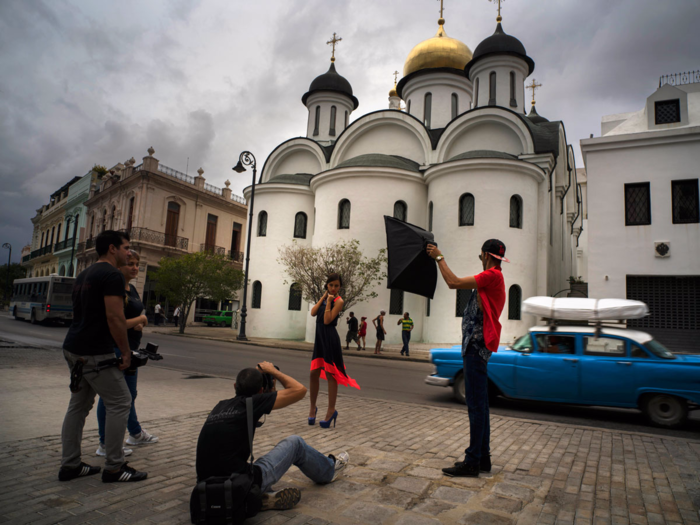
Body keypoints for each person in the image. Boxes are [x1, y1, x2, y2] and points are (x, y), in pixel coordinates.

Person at [195, 362, 349, 511]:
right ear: (261, 391)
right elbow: (300, 390)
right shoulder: (253, 403)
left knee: (248, 465)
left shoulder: (220, 406)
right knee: (295, 443)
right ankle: (329, 470)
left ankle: (259, 497)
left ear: (235, 387)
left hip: (205, 485)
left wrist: (255, 376)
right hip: (237, 483)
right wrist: (273, 371)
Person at [59, 230, 148, 483]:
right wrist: (125, 352)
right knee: (121, 401)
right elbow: (115, 318)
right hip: (96, 352)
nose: (129, 252)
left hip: (74, 348)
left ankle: (70, 465)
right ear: (112, 249)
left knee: (78, 406)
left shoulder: (84, 274)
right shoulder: (110, 275)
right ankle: (114, 466)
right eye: (126, 248)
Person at [427, 239, 508, 478]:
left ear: (485, 255)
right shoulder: (494, 277)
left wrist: (439, 257)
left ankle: (472, 461)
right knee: (480, 404)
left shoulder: (492, 275)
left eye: (481, 255)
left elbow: (453, 283)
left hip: (475, 347)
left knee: (475, 404)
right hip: (475, 347)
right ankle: (483, 458)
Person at [95, 251, 158, 458]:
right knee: (112, 398)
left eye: (137, 264)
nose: (134, 267)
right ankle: (105, 444)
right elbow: (114, 321)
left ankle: (135, 433)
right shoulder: (115, 288)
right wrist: (141, 321)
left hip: (131, 349)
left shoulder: (131, 288)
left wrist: (139, 323)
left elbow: (133, 315)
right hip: (115, 348)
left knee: (129, 396)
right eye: (130, 264)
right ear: (120, 266)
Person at [309, 273, 360, 428]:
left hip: (330, 339)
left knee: (331, 374)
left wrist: (330, 302)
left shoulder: (339, 301)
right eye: (331, 285)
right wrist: (324, 297)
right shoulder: (326, 297)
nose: (333, 288)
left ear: (340, 287)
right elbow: (313, 312)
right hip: (319, 339)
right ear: (327, 285)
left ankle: (331, 410)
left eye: (336, 285)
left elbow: (326, 320)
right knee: (313, 373)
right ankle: (312, 408)